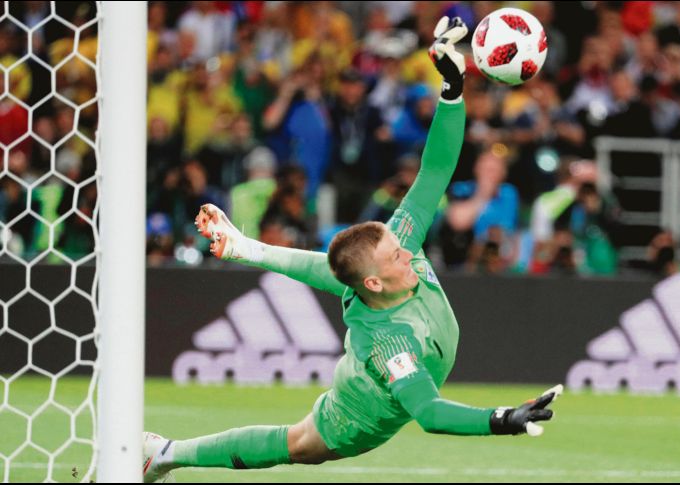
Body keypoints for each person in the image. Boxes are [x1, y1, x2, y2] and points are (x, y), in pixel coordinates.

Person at [143, 18, 561, 483]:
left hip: (369, 323)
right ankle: (166, 454)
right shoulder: (391, 344)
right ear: (375, 282)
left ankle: (161, 452)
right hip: (357, 415)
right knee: (297, 445)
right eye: (397, 256)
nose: (409, 253)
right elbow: (429, 413)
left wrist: (452, 89)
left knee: (333, 276)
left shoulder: (395, 243)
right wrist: (502, 419)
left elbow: (435, 171)